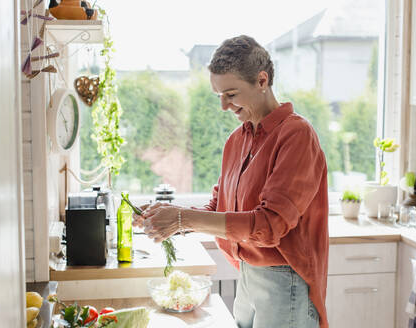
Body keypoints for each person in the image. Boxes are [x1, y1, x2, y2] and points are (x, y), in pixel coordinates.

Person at [132, 35, 329, 328]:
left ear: (262, 81)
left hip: (284, 281)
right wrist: (166, 217)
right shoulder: (236, 141)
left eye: (231, 94)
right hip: (248, 275)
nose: (224, 106)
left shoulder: (296, 135)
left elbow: (268, 226)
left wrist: (182, 219)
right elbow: (218, 207)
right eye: (219, 96)